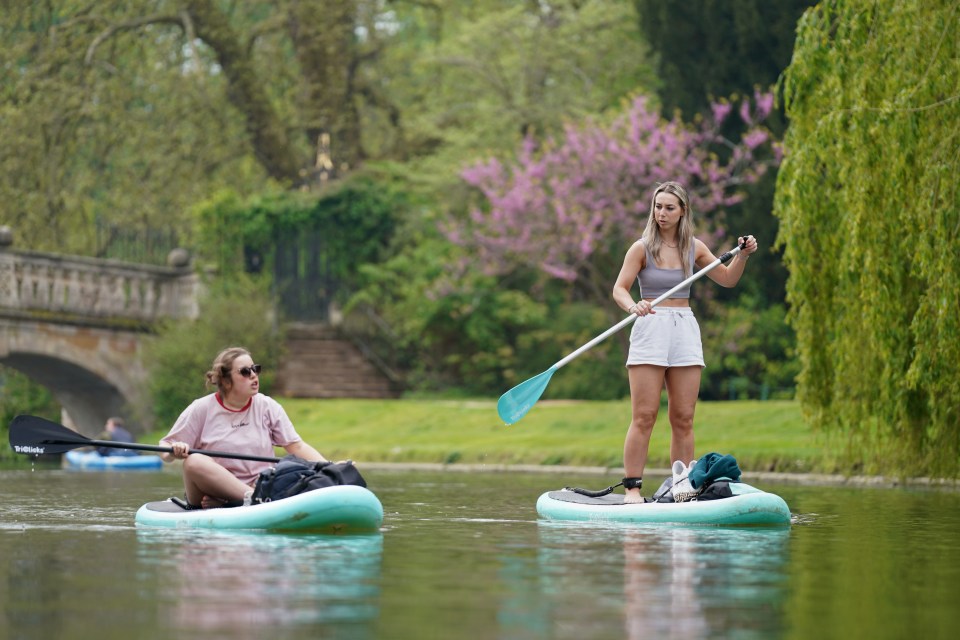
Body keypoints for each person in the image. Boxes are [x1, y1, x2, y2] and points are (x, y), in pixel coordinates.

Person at [611, 181, 757, 503]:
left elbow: (729, 279)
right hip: (650, 326)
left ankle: (681, 487)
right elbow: (619, 288)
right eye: (657, 207)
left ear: (682, 211)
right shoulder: (641, 248)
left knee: (683, 416)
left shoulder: (695, 247)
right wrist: (633, 305)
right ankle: (632, 489)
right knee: (644, 415)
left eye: (669, 208)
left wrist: (743, 256)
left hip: (684, 328)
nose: (661, 214)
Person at [159, 347, 327, 509]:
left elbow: (296, 446)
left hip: (261, 486)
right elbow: (165, 447)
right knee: (193, 461)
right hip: (211, 493)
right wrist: (173, 451)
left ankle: (242, 501)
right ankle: (253, 500)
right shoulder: (201, 408)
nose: (254, 375)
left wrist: (329, 468)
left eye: (256, 369)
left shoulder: (267, 406)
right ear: (226, 381)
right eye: (245, 372)